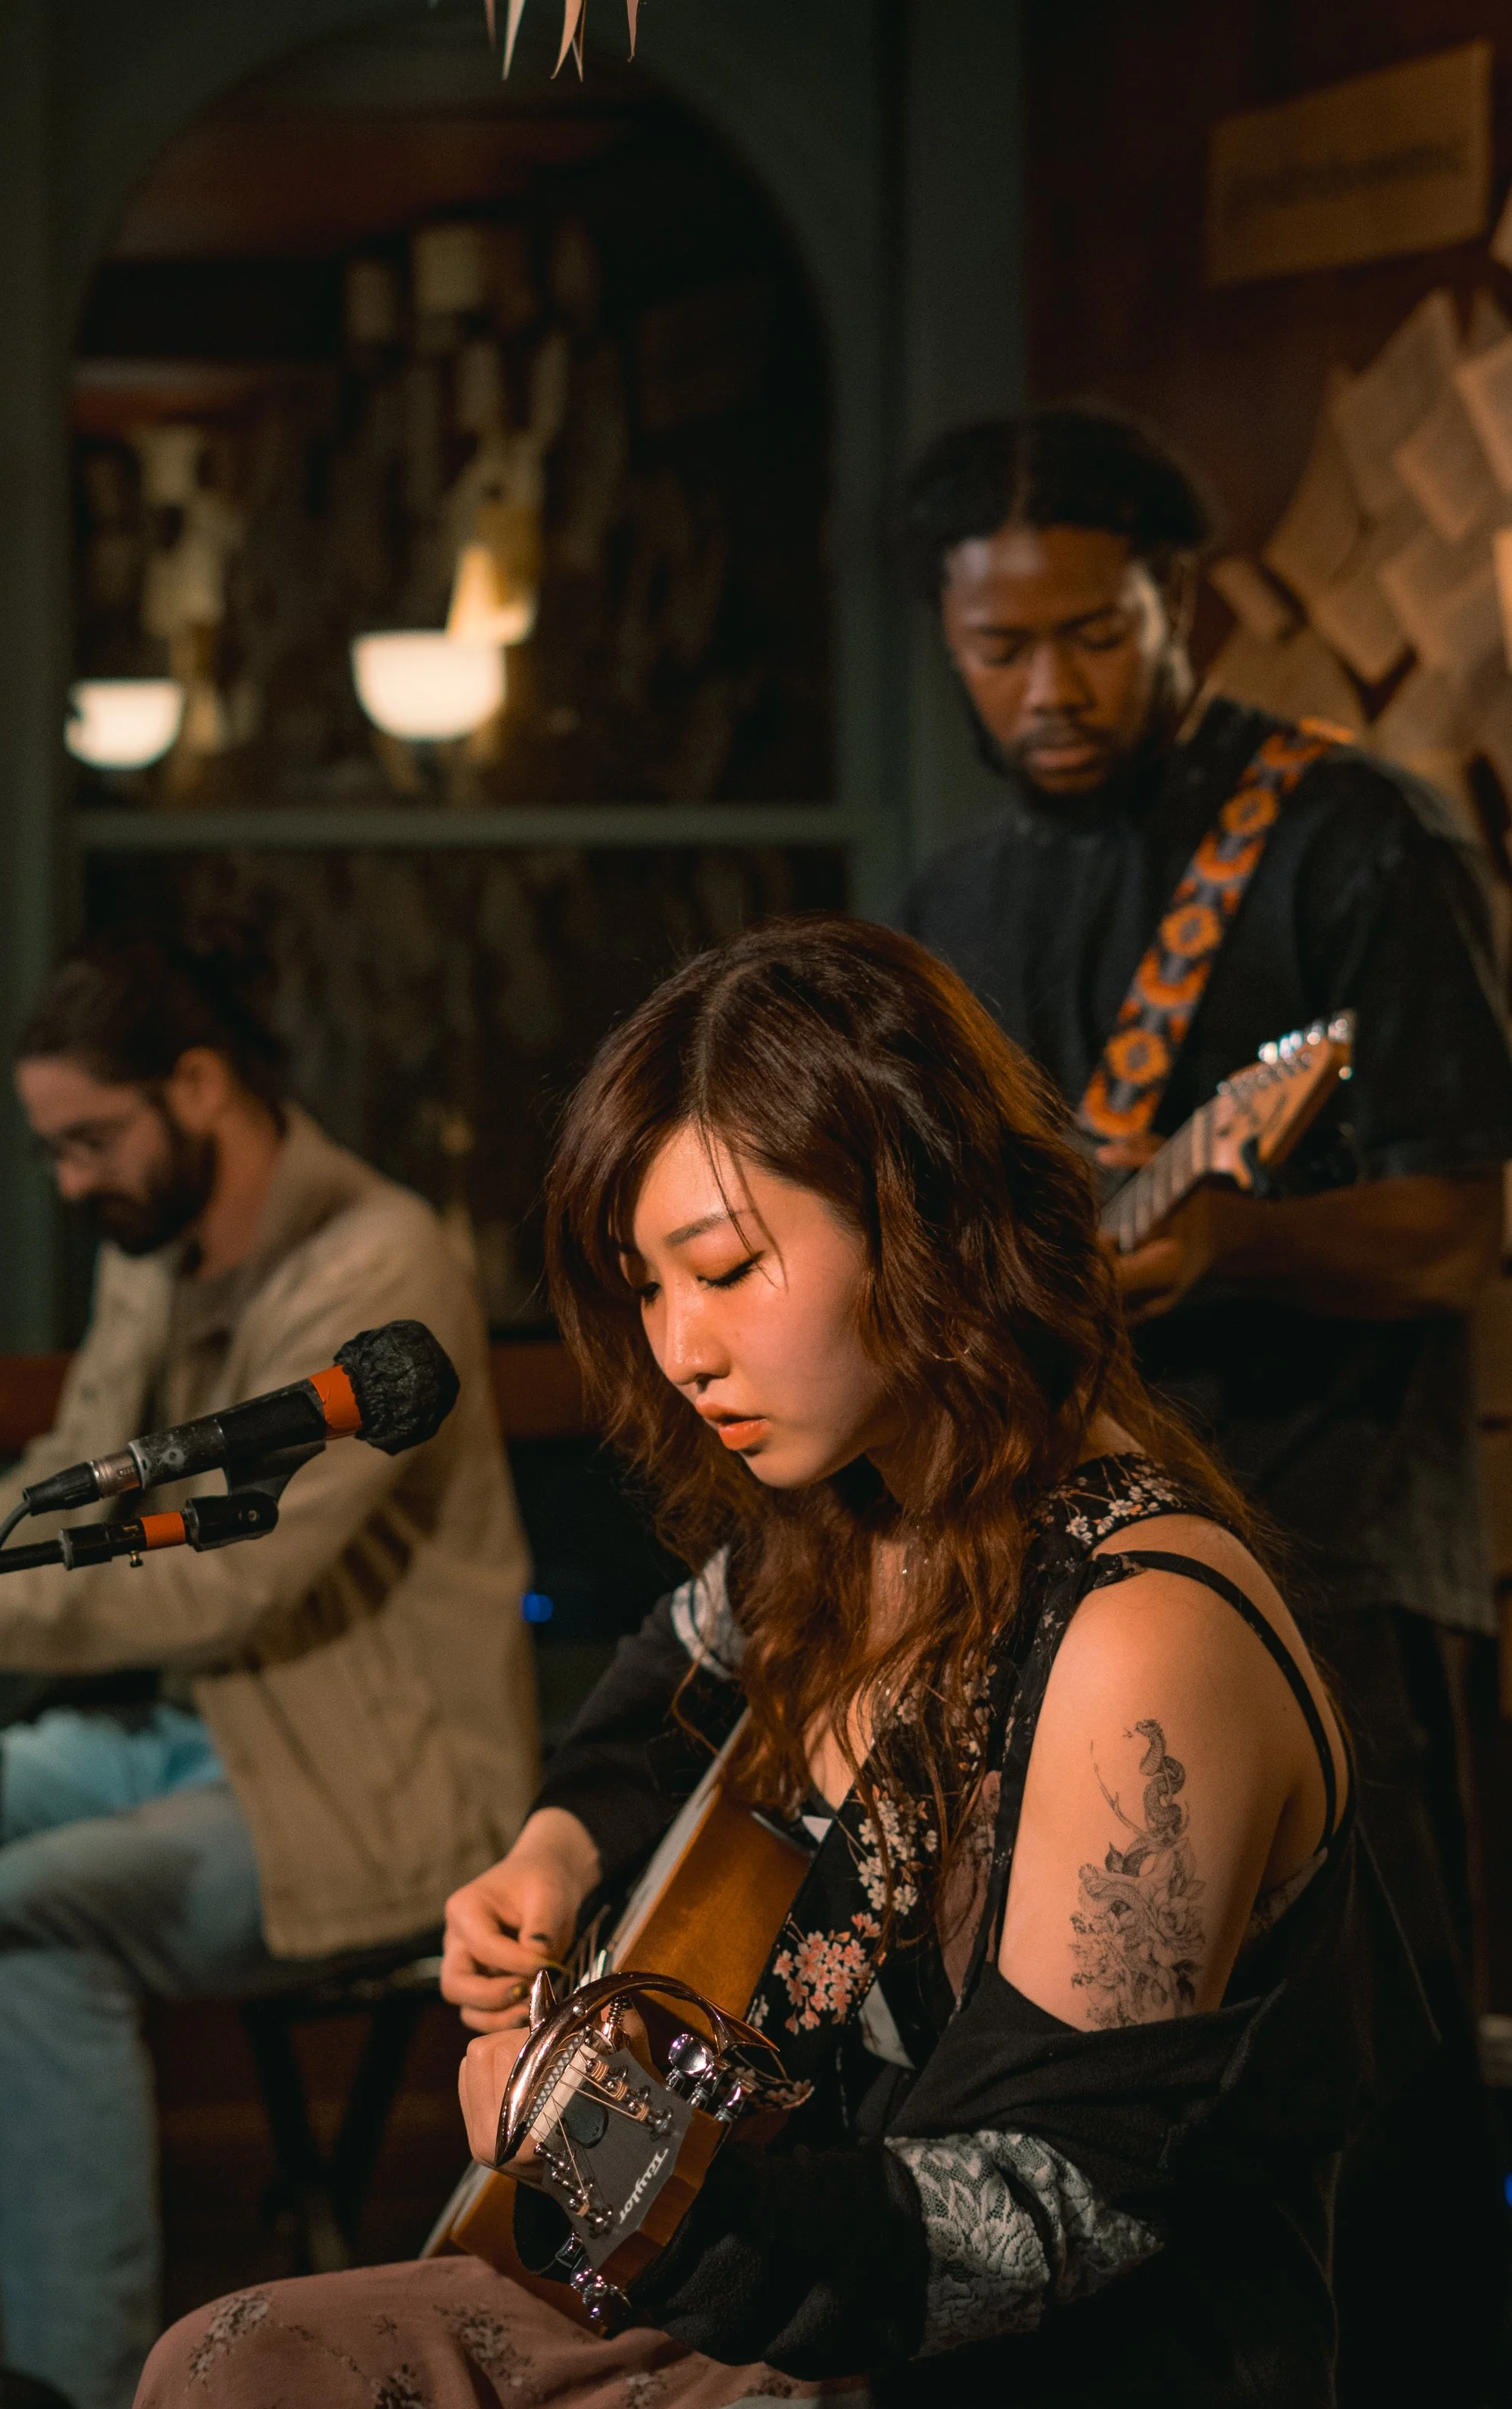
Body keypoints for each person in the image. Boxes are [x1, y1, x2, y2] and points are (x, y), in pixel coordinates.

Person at [136, 913, 1426, 2409]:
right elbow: (657, 1692)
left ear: (928, 1224)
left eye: (726, 1267)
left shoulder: (1140, 1635)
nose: (679, 1346)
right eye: (644, 1284)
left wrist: (578, 2127)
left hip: (1004, 2356)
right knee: (229, 2363)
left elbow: (1036, 2218)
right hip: (773, 2282)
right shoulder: (841, 1517)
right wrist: (555, 1852)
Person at [0, 932, 536, 2409]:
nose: (69, 1182)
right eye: (51, 1150)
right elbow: (68, 1485)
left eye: (91, 1140)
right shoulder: (156, 1252)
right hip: (189, 1745)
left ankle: (66, 2391)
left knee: (29, 1919)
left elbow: (223, 1575)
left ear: (200, 1087)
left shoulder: (380, 1262)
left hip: (378, 1790)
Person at [890, 408, 1512, 2404]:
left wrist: (1233, 1248)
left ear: (1183, 604)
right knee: (1106, 2104)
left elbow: (1450, 1231)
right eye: (999, 649)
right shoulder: (958, 896)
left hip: (1332, 1570)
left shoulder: (1353, 839)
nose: (1048, 688)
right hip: (1056, 1583)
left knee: (1378, 2106)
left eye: (1095, 633)